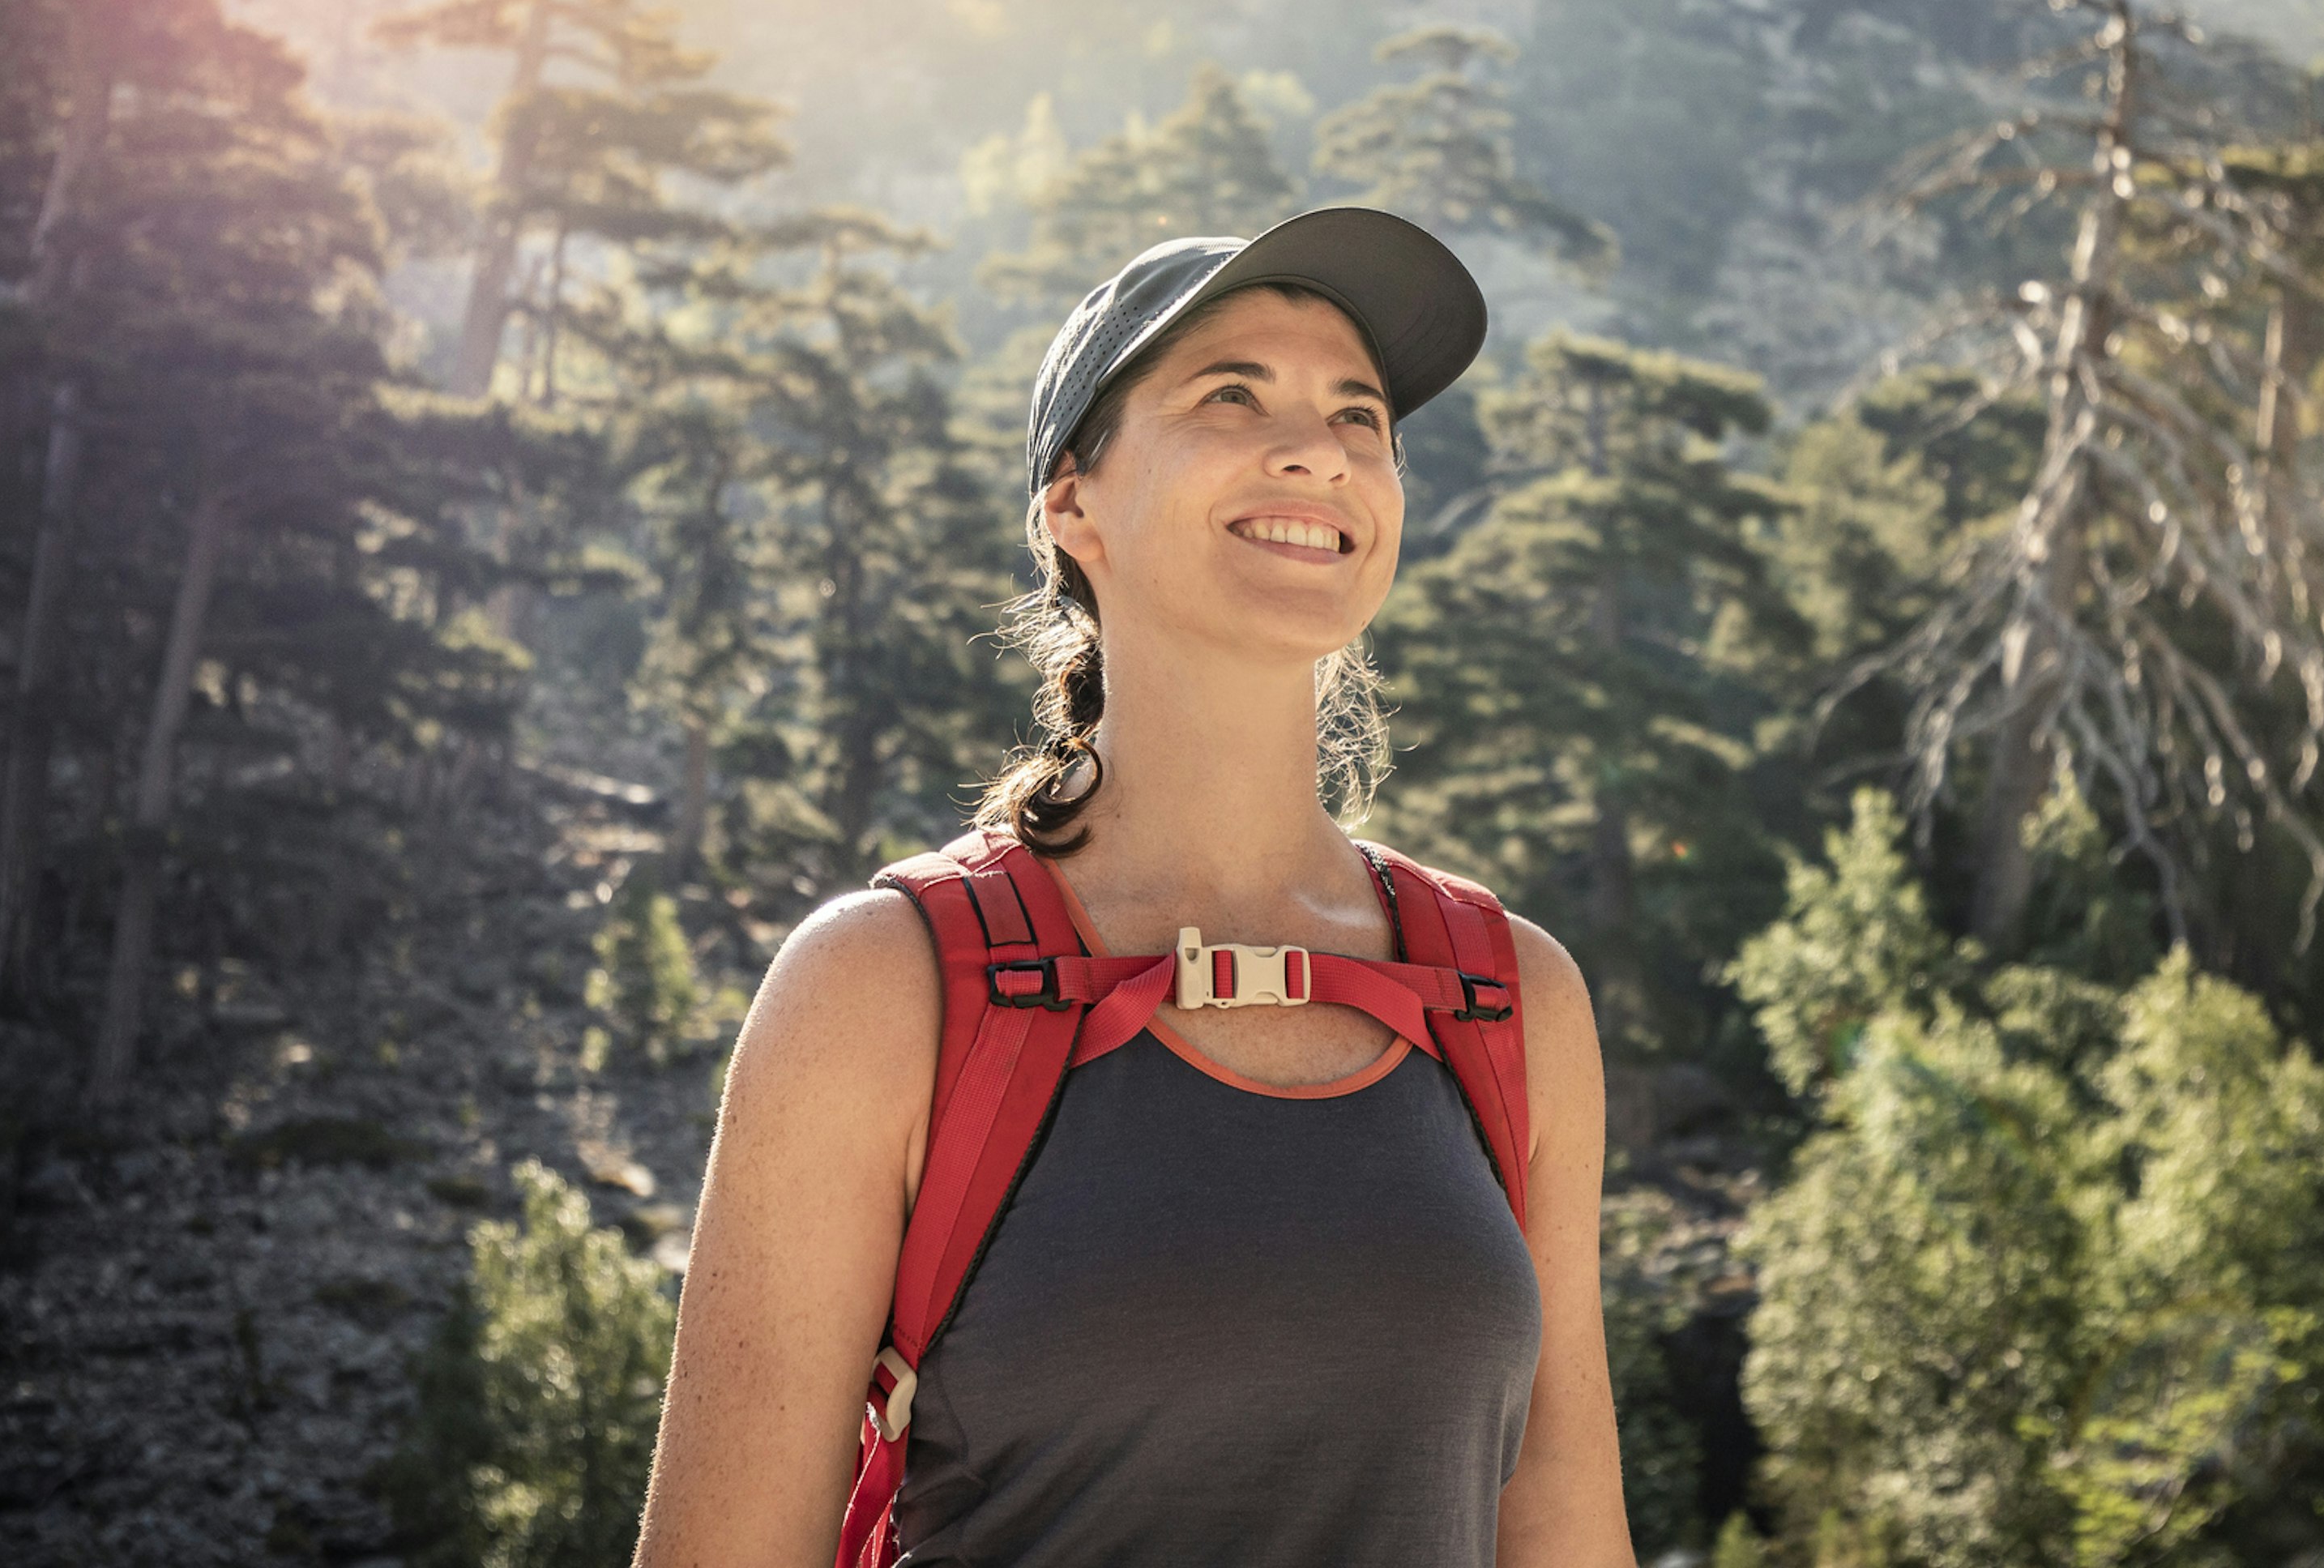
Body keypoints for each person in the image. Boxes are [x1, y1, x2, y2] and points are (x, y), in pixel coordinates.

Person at [634, 207, 1633, 1568]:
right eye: (1233, 393)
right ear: (1072, 503)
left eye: (1361, 415)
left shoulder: (1513, 997)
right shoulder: (880, 992)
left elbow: (1567, 1534)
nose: (1320, 450)